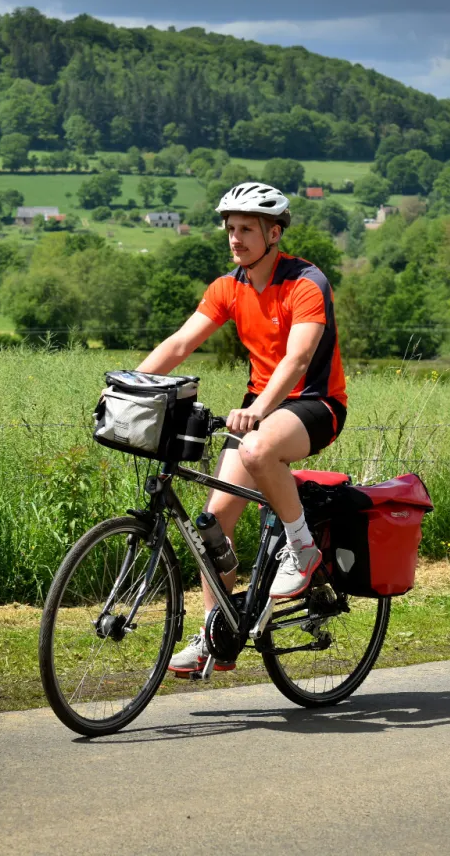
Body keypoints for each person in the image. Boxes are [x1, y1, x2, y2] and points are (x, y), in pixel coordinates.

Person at [135, 181, 347, 677]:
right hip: (261, 409)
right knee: (213, 527)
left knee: (257, 451)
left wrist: (260, 411)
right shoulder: (228, 287)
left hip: (314, 404)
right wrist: (131, 388)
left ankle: (303, 548)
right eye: (230, 228)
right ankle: (217, 635)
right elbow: (180, 344)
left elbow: (297, 361)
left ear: (274, 233)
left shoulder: (306, 283)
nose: (235, 238)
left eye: (247, 229)